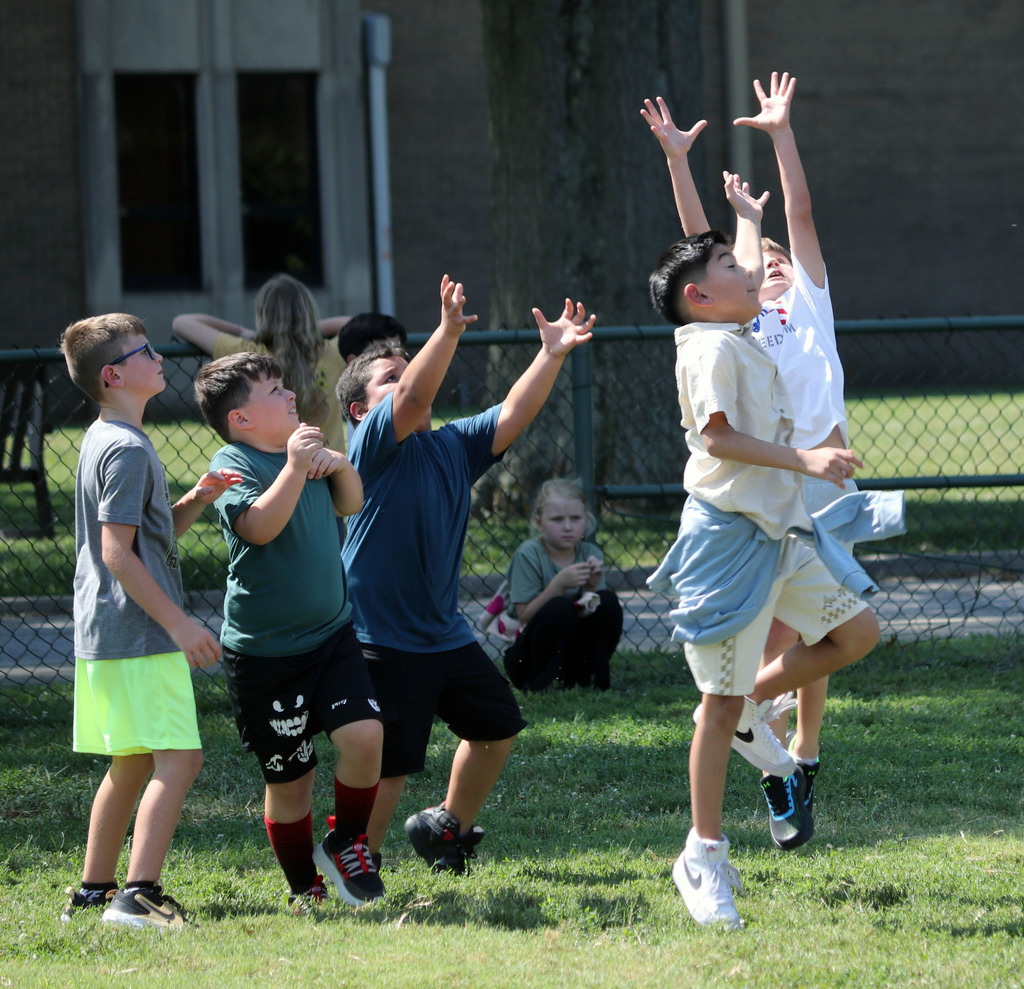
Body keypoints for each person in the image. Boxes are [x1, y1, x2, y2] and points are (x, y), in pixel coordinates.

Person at [645, 176, 904, 928]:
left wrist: (749, 219)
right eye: (731, 268)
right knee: (717, 709)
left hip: (780, 531)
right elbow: (718, 438)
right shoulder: (708, 349)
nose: (750, 271)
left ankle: (765, 715)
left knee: (855, 634)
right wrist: (807, 462)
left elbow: (744, 269)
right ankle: (702, 854)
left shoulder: (738, 326)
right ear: (701, 296)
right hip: (728, 540)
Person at [642, 72, 851, 849]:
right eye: (751, 262)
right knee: (784, 637)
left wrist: (782, 135)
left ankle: (797, 746)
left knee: (822, 632)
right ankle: (761, 741)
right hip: (769, 483)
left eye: (773, 262)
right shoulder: (740, 327)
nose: (763, 267)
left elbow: (796, 214)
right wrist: (678, 164)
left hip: (825, 483)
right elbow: (698, 258)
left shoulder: (809, 308)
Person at [336, 274, 595, 874]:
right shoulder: (371, 447)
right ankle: (360, 857)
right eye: (390, 378)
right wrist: (449, 330)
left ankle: (445, 826)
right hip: (382, 637)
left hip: (443, 633)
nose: (405, 382)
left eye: (410, 369)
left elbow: (515, 412)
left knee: (496, 728)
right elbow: (414, 402)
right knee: (392, 767)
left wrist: (550, 353)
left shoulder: (452, 445)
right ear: (358, 410)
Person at [59, 313, 241, 929]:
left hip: (105, 628)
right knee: (179, 760)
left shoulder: (103, 436)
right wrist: (180, 626)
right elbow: (117, 552)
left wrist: (197, 497)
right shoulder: (129, 448)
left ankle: (91, 890)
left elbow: (145, 542)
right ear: (114, 375)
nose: (159, 356)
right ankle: (138, 896)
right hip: (139, 631)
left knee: (133, 761)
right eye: (145, 352)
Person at [193, 351, 384, 913]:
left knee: (365, 735)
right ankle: (306, 885)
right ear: (241, 419)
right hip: (267, 655)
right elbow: (258, 528)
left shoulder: (303, 448)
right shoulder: (231, 463)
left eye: (284, 385)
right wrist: (296, 468)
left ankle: (348, 841)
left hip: (331, 633)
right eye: (273, 390)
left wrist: (337, 465)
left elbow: (351, 503)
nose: (289, 395)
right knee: (291, 779)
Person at [172, 273, 351, 454]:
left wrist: (243, 331)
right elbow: (353, 323)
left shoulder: (248, 352)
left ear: (262, 315)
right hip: (330, 464)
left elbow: (183, 322)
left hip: (276, 465)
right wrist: (302, 328)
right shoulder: (332, 351)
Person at [501, 478, 623, 691]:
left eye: (575, 518)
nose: (567, 527)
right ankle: (543, 685)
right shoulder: (528, 554)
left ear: (586, 519)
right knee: (560, 607)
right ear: (539, 523)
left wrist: (591, 588)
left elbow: (592, 617)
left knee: (608, 601)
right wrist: (558, 585)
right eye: (557, 519)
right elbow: (524, 616)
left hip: (572, 652)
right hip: (528, 659)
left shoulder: (589, 553)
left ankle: (591, 680)